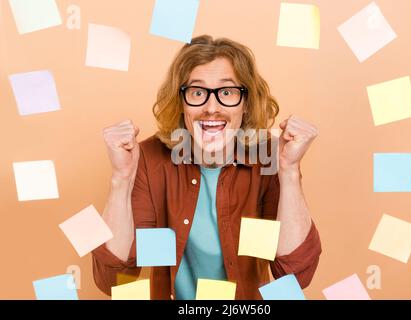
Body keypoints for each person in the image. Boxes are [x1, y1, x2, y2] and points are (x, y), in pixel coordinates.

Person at [92, 35, 321, 300]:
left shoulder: (270, 157)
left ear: (245, 104)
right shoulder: (148, 158)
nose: (211, 108)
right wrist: (121, 179)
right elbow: (113, 281)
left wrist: (290, 171)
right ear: (181, 103)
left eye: (227, 93)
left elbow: (295, 275)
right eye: (197, 93)